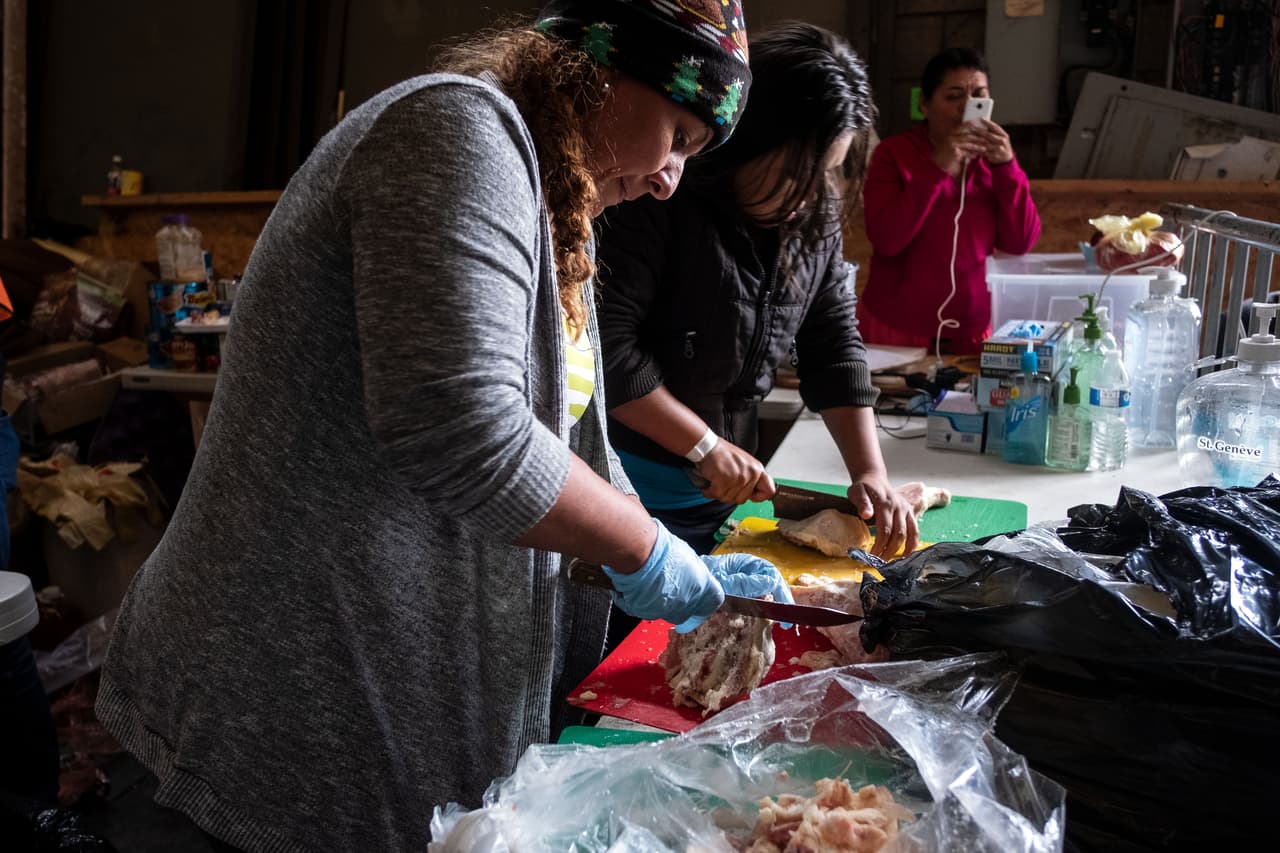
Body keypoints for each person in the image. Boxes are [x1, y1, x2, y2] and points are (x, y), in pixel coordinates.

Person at [95, 3, 793, 850]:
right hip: (274, 701)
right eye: (678, 133)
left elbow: (568, 440)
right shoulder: (456, 131)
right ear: (599, 68)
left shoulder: (553, 209)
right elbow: (466, 428)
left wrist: (680, 564)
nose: (668, 177)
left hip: (375, 714)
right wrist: (645, 546)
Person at [595, 21, 919, 582]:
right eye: (797, 172)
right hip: (621, 494)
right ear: (747, 137)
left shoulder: (811, 217)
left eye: (828, 173)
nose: (813, 195)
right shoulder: (655, 193)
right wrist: (702, 444)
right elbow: (610, 351)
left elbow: (833, 346)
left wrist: (870, 473)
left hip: (719, 501)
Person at [858, 47, 1041, 355]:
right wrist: (937, 169)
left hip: (972, 329)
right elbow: (887, 239)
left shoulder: (993, 161)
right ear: (925, 105)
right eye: (953, 96)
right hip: (895, 329)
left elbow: (1021, 241)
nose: (967, 108)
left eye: (979, 96)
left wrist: (1007, 167)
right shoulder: (893, 154)